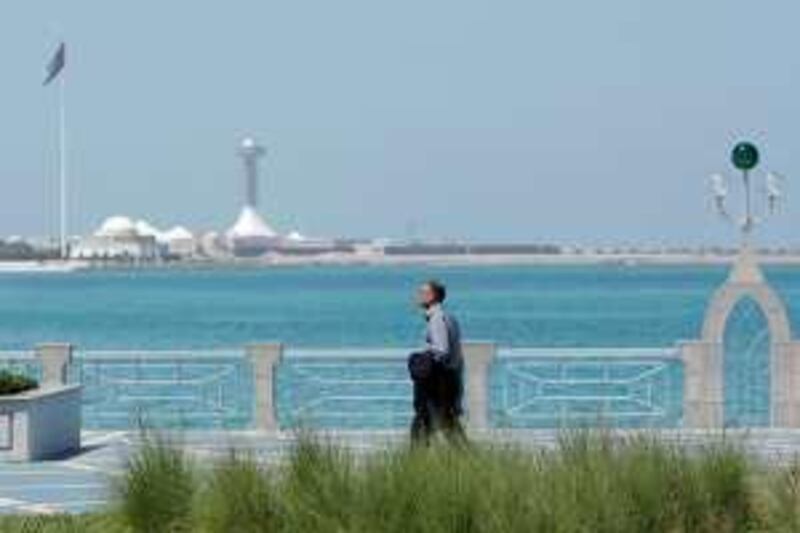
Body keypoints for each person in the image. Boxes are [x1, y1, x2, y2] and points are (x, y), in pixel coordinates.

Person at [408, 279, 466, 444]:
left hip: (438, 383)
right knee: (447, 426)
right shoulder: (447, 317)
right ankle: (471, 460)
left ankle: (416, 462)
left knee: (424, 426)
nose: (418, 296)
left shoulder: (437, 319)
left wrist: (421, 358)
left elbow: (441, 351)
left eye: (422, 293)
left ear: (432, 296)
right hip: (447, 380)